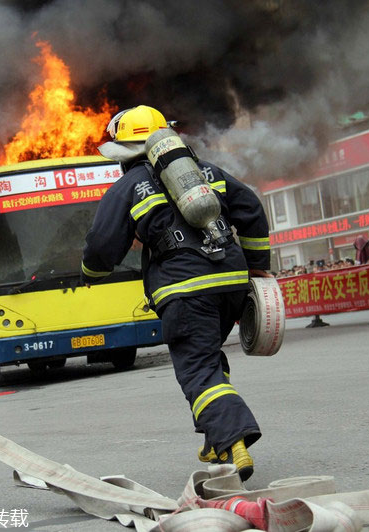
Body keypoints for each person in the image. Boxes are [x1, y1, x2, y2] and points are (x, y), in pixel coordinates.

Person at [81, 105, 271, 481]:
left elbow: (102, 244)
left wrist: (91, 272)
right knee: (206, 357)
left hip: (185, 291)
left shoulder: (130, 185)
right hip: (230, 282)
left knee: (197, 368)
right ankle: (216, 440)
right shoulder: (207, 173)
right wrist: (256, 263)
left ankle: (234, 437)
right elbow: (250, 207)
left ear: (124, 152)